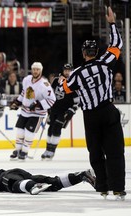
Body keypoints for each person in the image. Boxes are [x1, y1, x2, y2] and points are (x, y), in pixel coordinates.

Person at [59, 7, 126, 200]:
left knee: (96, 153)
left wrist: (60, 81)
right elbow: (117, 44)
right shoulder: (105, 62)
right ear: (96, 51)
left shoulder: (77, 74)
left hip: (91, 116)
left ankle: (103, 187)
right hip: (108, 110)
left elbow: (64, 89)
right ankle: (118, 188)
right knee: (115, 152)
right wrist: (112, 23)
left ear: (83, 53)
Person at [9, 62, 56, 161]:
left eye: (37, 69)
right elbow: (24, 93)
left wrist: (38, 104)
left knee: (29, 132)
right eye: (34, 69)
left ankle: (24, 151)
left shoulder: (45, 84)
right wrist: (17, 102)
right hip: (25, 111)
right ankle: (17, 150)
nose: (35, 71)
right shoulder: (26, 79)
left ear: (41, 71)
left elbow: (52, 99)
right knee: (20, 131)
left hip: (37, 113)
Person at [0, 165, 95, 194]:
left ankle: (33, 186)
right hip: (14, 172)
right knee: (54, 183)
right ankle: (81, 176)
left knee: (14, 186)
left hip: (6, 177)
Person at [41, 63, 80, 160]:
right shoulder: (56, 81)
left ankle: (52, 151)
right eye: (65, 70)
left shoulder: (73, 82)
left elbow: (78, 100)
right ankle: (47, 149)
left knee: (57, 128)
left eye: (69, 70)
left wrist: (72, 110)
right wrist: (48, 106)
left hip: (65, 111)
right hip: (54, 109)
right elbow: (50, 94)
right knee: (51, 128)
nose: (67, 72)